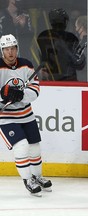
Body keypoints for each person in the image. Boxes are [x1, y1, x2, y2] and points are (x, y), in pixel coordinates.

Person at [0, 34, 52, 197]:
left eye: (13, 48)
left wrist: (21, 95)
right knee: (21, 146)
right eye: (7, 49)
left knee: (35, 148)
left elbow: (35, 89)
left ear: (17, 49)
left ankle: (37, 176)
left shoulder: (26, 65)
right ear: (2, 51)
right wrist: (4, 96)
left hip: (26, 115)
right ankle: (28, 180)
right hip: (6, 118)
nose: (10, 52)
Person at [37, 8, 80, 81]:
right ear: (64, 22)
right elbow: (78, 62)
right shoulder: (71, 38)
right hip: (68, 80)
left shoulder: (42, 36)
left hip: (49, 78)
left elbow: (41, 57)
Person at [74, 15, 88, 82]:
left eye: (76, 27)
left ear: (81, 28)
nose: (76, 29)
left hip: (83, 80)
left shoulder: (87, 44)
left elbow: (81, 62)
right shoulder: (81, 42)